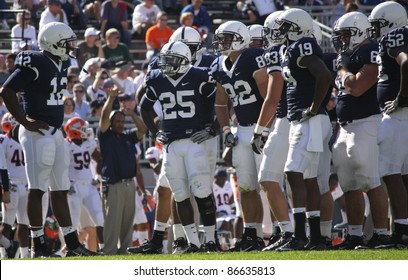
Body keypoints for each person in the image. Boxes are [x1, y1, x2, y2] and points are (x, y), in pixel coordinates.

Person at [0, 22, 99, 257]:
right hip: (37, 133)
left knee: (61, 189)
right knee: (37, 189)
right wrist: (26, 122)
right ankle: (38, 244)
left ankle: (72, 244)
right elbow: (6, 91)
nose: (71, 47)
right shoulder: (34, 62)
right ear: (53, 42)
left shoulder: (62, 61)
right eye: (67, 43)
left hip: (55, 132)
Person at [139, 41, 217, 253]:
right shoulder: (157, 79)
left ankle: (210, 241)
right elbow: (143, 107)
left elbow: (220, 99)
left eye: (171, 60)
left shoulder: (200, 75)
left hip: (195, 141)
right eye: (164, 60)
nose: (166, 65)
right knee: (180, 194)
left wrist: (212, 127)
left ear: (184, 61)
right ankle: (193, 243)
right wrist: (155, 132)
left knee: (202, 191)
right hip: (171, 144)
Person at [271, 8, 332, 251]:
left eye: (285, 26)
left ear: (297, 26)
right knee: (308, 178)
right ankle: (315, 238)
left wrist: (313, 107)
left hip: (310, 120)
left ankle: (298, 236)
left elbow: (324, 76)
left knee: (292, 172)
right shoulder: (290, 49)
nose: (281, 31)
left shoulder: (302, 45)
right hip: (307, 120)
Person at [331, 11, 391, 249]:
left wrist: (343, 71)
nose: (343, 39)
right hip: (346, 126)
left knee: (370, 181)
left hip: (367, 122)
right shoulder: (349, 55)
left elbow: (357, 87)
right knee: (348, 184)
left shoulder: (369, 51)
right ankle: (355, 235)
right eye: (341, 35)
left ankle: (381, 234)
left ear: (359, 32)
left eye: (346, 34)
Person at [211, 20, 268, 251]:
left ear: (240, 38)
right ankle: (251, 234)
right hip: (242, 128)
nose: (222, 43)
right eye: (221, 38)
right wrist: (226, 130)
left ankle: (280, 232)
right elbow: (221, 103)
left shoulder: (254, 57)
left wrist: (264, 129)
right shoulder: (220, 65)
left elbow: (268, 97)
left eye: (226, 38)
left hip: (262, 127)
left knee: (268, 183)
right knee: (246, 186)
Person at [249, 10, 295, 251]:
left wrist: (259, 130)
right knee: (301, 180)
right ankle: (306, 233)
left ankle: (290, 233)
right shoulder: (298, 50)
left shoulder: (277, 51)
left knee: (268, 177)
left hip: (286, 120)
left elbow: (272, 97)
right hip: (297, 119)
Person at [368, 1, 408, 248]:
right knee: (403, 174)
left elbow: (405, 62)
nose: (375, 30)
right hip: (403, 115)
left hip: (399, 115)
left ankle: (401, 231)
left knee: (390, 173)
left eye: (378, 25)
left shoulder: (395, 37)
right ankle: (404, 229)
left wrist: (402, 97)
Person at [97, 83, 147, 255]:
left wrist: (132, 114)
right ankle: (110, 251)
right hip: (113, 184)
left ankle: (123, 251)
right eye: (116, 121)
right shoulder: (106, 136)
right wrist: (111, 98)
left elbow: (142, 129)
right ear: (111, 123)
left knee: (127, 221)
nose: (119, 123)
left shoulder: (127, 136)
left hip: (128, 184)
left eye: (121, 120)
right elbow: (103, 118)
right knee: (113, 221)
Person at [64, 117, 105, 253]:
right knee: (74, 222)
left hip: (89, 185)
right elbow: (60, 167)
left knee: (99, 218)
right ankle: (72, 250)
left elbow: (99, 159)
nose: (86, 131)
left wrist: (97, 176)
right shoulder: (66, 146)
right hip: (74, 186)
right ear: (74, 132)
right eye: (82, 128)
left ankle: (104, 248)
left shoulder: (88, 144)